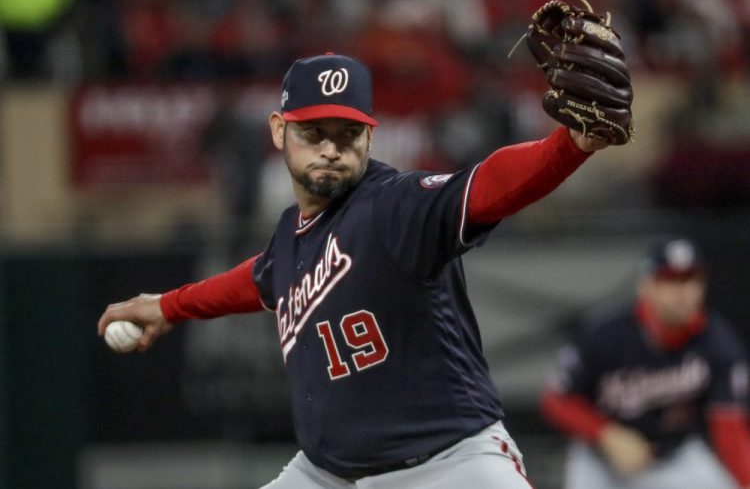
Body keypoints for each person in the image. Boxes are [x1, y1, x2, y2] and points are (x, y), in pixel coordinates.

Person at [97, 52, 609, 489]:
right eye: (313, 131)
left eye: (348, 134)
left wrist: (570, 146)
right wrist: (167, 306)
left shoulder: (394, 206)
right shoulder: (292, 236)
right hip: (328, 474)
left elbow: (486, 186)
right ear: (279, 130)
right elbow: (262, 278)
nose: (330, 148)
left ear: (370, 135)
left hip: (447, 466)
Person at [540, 237, 750, 489]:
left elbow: (729, 428)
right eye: (670, 280)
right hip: (602, 459)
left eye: (691, 280)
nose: (683, 291)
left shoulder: (717, 342)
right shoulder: (605, 333)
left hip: (676, 458)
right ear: (646, 286)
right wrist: (607, 434)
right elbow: (555, 400)